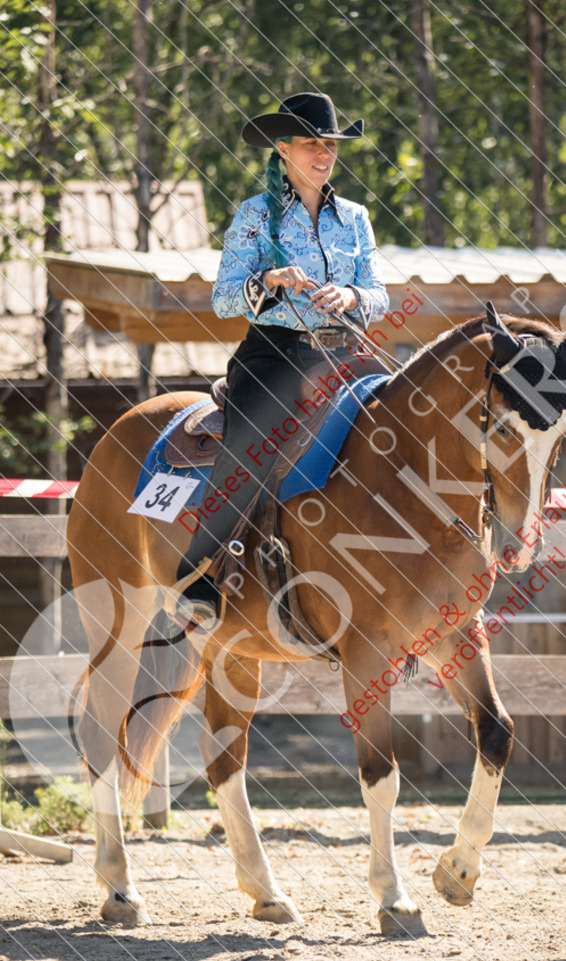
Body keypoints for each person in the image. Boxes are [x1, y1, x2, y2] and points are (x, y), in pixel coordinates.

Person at [175, 92, 389, 626]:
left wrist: (352, 298)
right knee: (251, 445)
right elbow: (224, 300)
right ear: (283, 148)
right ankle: (199, 572)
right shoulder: (254, 214)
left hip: (343, 355)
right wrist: (267, 280)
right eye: (313, 144)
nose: (324, 154)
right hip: (274, 356)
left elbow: (379, 294)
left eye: (331, 146)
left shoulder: (356, 218)